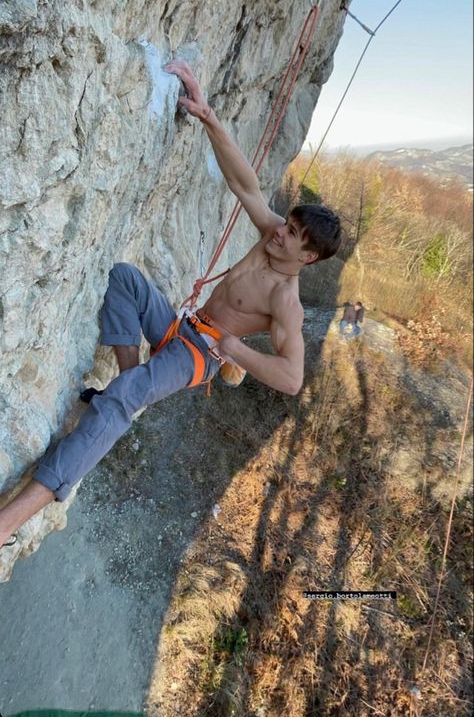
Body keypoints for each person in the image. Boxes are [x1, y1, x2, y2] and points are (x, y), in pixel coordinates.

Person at [0, 61, 341, 548]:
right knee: (124, 279)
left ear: (307, 257)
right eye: (286, 223)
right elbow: (244, 183)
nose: (279, 231)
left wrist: (232, 347)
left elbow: (291, 378)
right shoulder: (270, 236)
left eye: (292, 235)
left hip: (199, 355)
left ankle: (8, 524)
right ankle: (127, 379)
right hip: (182, 327)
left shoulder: (287, 303)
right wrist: (209, 117)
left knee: (122, 401)